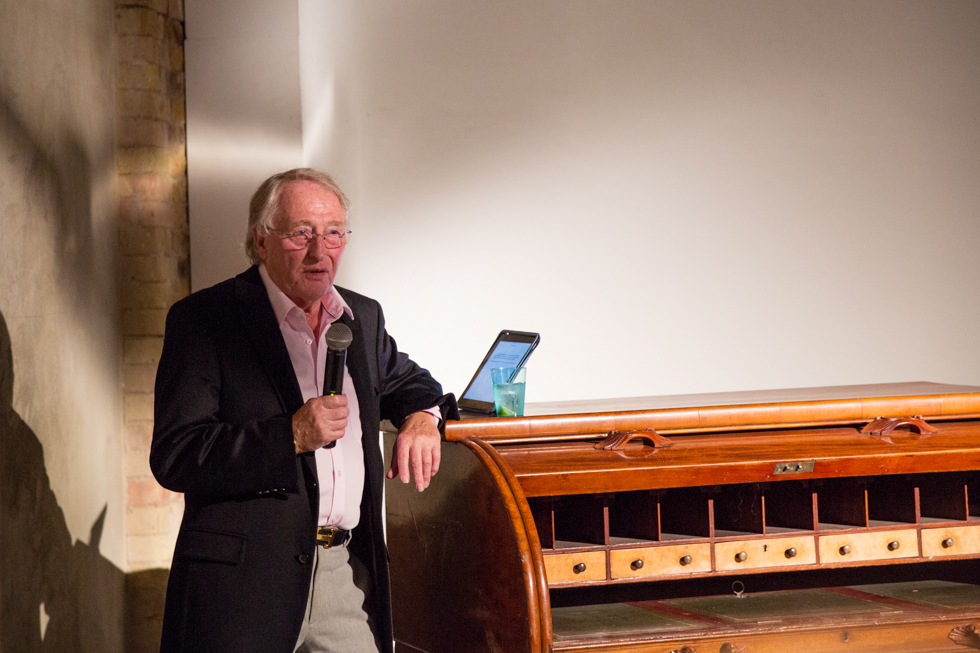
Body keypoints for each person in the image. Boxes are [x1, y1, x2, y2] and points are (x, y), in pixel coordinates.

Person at [150, 168, 457, 653]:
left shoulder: (361, 317)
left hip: (342, 573)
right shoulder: (205, 319)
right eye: (301, 233)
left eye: (334, 232)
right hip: (244, 587)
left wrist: (423, 417)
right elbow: (176, 455)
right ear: (261, 239)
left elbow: (410, 382)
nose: (320, 251)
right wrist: (289, 436)